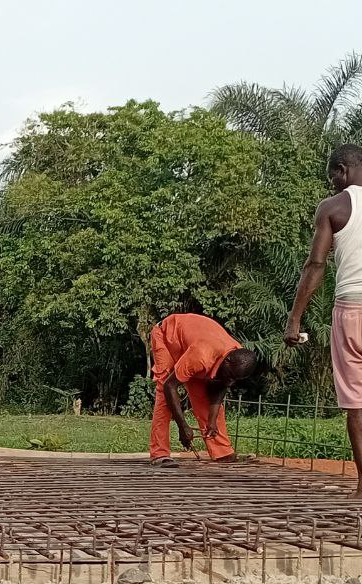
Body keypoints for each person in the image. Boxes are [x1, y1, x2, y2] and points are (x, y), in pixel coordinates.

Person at [284, 143, 362, 497]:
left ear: (343, 170)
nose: (331, 183)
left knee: (356, 403)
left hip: (351, 311)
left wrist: (295, 319)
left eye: (332, 175)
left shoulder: (333, 208)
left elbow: (316, 265)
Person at [148, 312, 257, 467]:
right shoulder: (201, 356)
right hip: (166, 337)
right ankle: (160, 454)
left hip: (191, 346)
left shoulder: (237, 357)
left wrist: (211, 421)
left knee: (205, 400)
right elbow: (169, 386)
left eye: (235, 380)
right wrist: (183, 427)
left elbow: (221, 387)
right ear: (227, 361)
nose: (230, 382)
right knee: (164, 393)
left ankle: (222, 452)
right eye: (230, 376)